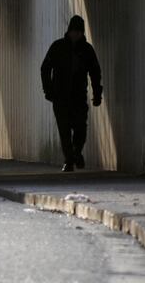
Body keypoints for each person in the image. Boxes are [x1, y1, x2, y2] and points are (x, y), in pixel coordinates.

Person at [40, 15, 102, 172]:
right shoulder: (58, 47)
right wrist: (49, 90)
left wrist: (97, 93)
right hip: (60, 96)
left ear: (82, 33)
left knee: (80, 127)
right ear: (69, 31)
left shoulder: (87, 50)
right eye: (74, 31)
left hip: (79, 96)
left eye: (79, 32)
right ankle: (69, 160)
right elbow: (45, 68)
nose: (76, 35)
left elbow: (95, 73)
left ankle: (76, 152)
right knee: (64, 129)